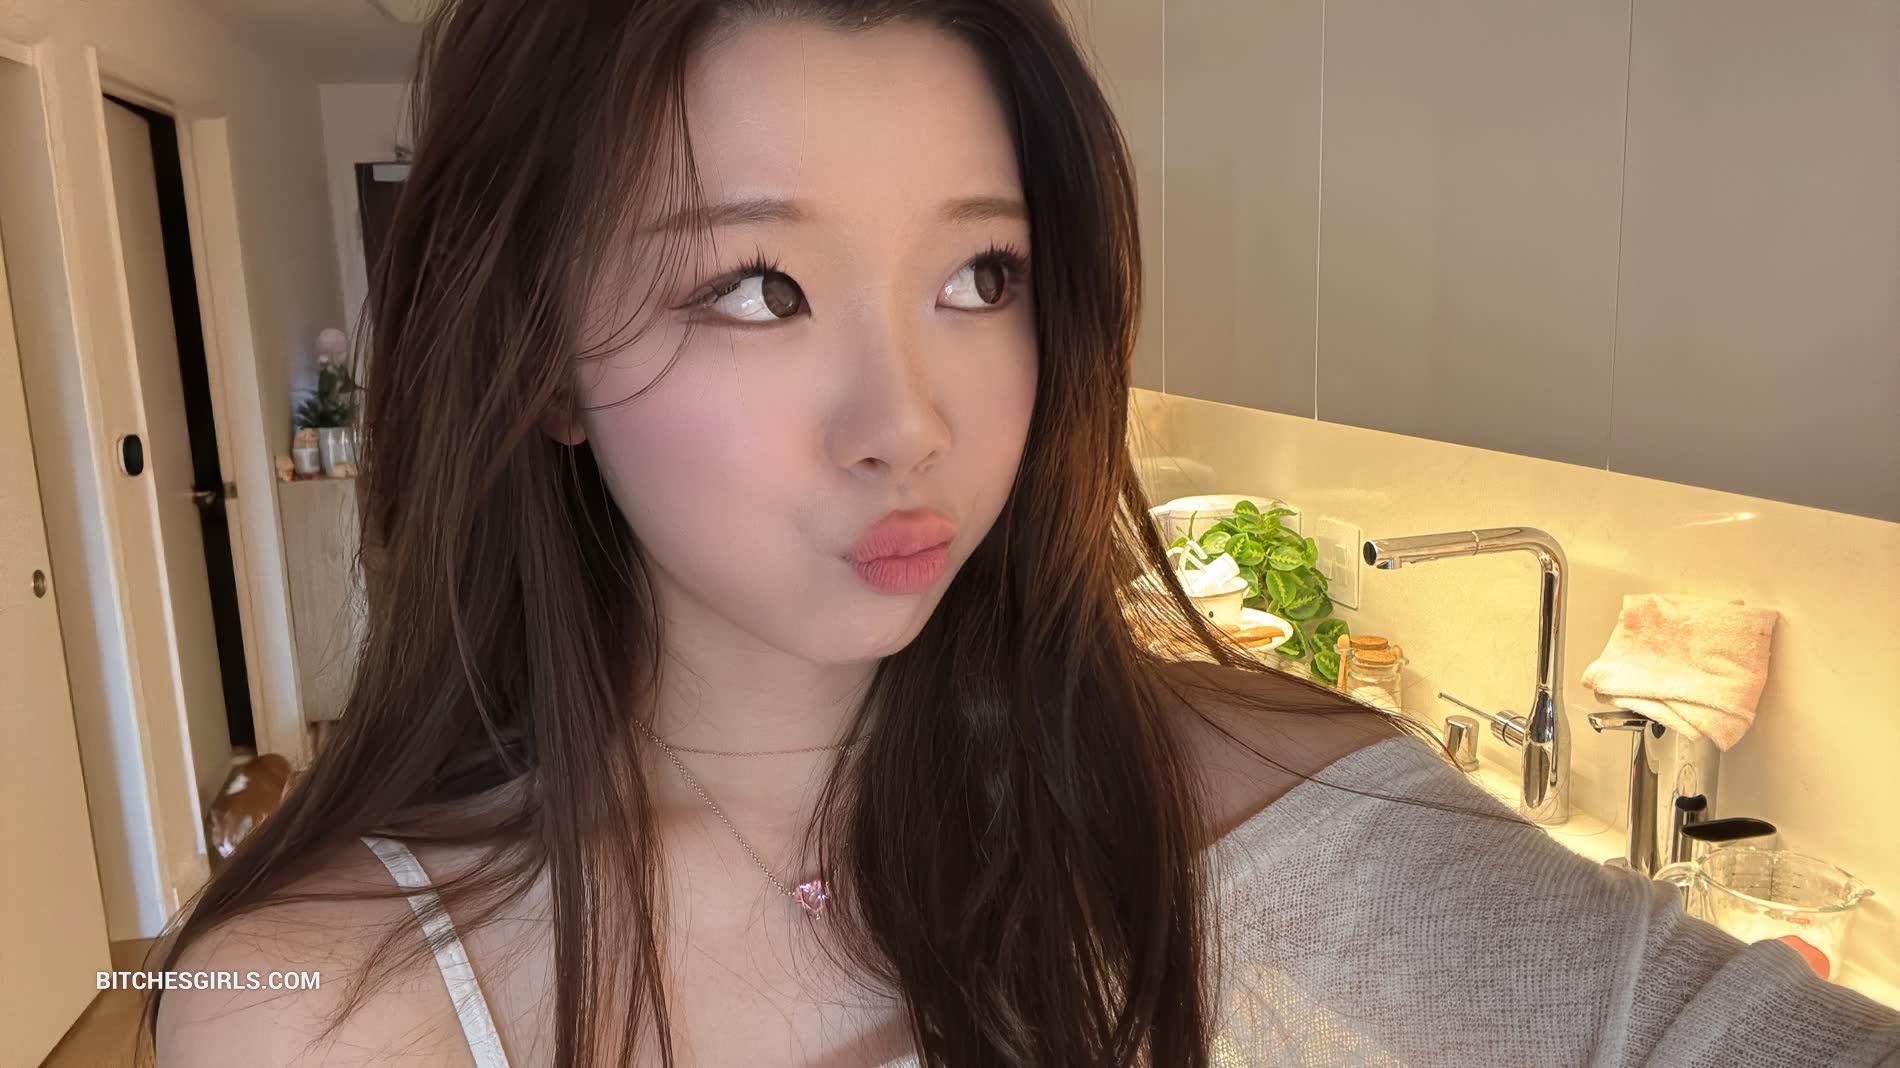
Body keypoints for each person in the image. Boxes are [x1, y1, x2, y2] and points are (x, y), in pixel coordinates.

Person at [146, 1, 1900, 1065]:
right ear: (543, 362)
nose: (907, 421)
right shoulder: (322, 1008)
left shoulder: (1262, 804)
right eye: (758, 287)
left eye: (982, 274)